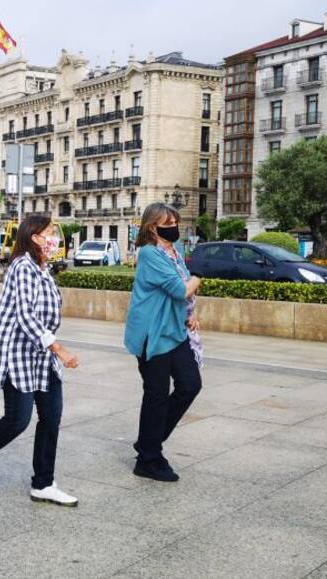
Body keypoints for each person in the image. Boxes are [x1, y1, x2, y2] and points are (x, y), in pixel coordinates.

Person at [0, 213, 80, 507]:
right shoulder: (22, 267)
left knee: (51, 417)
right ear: (35, 237)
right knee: (17, 420)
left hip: (41, 355)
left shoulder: (42, 268)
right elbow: (25, 315)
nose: (55, 238)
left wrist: (51, 348)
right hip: (19, 353)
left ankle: (43, 484)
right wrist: (59, 348)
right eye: (50, 232)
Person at [124, 202, 203, 483]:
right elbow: (180, 289)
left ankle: (148, 442)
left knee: (190, 384)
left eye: (175, 221)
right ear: (152, 227)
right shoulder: (148, 253)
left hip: (174, 329)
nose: (173, 226)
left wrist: (191, 314)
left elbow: (184, 296)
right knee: (156, 395)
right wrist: (197, 279)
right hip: (151, 334)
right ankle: (148, 458)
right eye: (167, 222)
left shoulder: (175, 252)